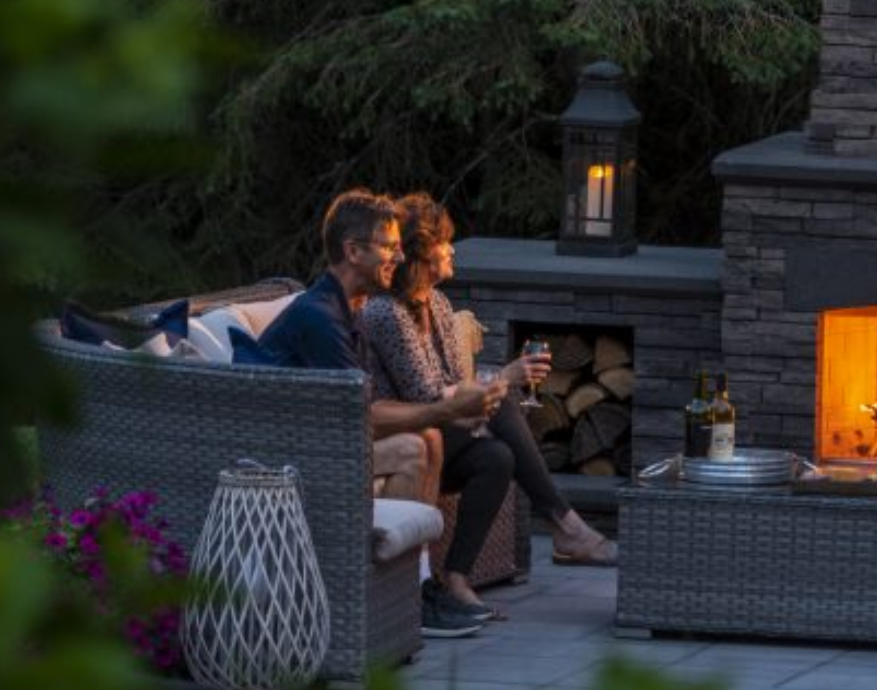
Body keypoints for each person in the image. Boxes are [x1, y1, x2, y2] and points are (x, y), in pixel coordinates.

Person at [358, 192, 620, 623]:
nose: (451, 249)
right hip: (406, 435)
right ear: (423, 255)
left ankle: (456, 580)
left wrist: (481, 393)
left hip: (441, 431)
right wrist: (501, 382)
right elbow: (427, 397)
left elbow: (450, 385)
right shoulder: (386, 314)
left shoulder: (437, 304)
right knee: (500, 406)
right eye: (444, 242)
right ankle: (566, 525)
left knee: (496, 457)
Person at [253, 188, 482, 640]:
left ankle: (413, 589)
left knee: (428, 440)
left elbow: (361, 407)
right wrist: (447, 408)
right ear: (353, 251)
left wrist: (440, 413)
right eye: (390, 247)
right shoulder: (319, 317)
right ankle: (404, 593)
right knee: (417, 446)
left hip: (321, 441)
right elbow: (361, 417)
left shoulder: (347, 308)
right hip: (281, 459)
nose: (398, 257)